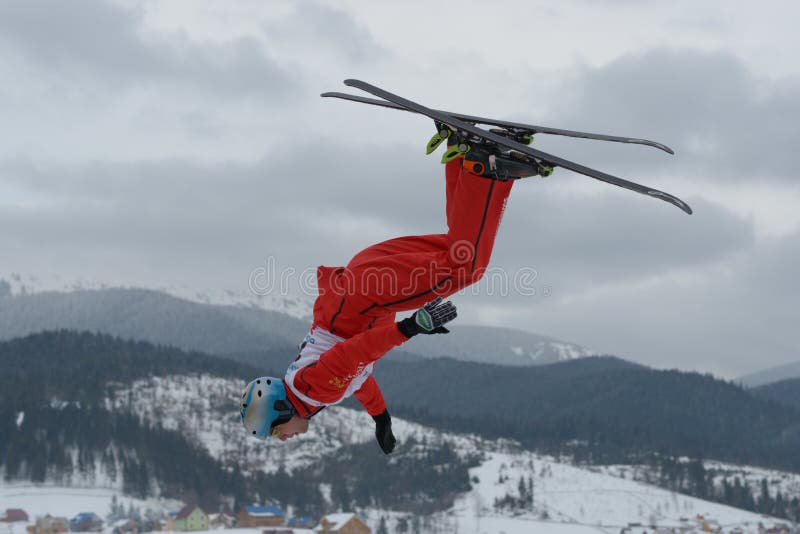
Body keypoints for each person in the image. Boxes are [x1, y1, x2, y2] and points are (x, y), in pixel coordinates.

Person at [240, 140, 540, 453]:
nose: (283, 439)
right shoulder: (306, 387)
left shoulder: (314, 390)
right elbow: (359, 378)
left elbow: (354, 354)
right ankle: (465, 153)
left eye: (275, 433)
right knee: (459, 247)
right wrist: (381, 418)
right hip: (359, 280)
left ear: (281, 412)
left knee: (466, 266)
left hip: (369, 298)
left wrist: (411, 327)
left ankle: (485, 168)